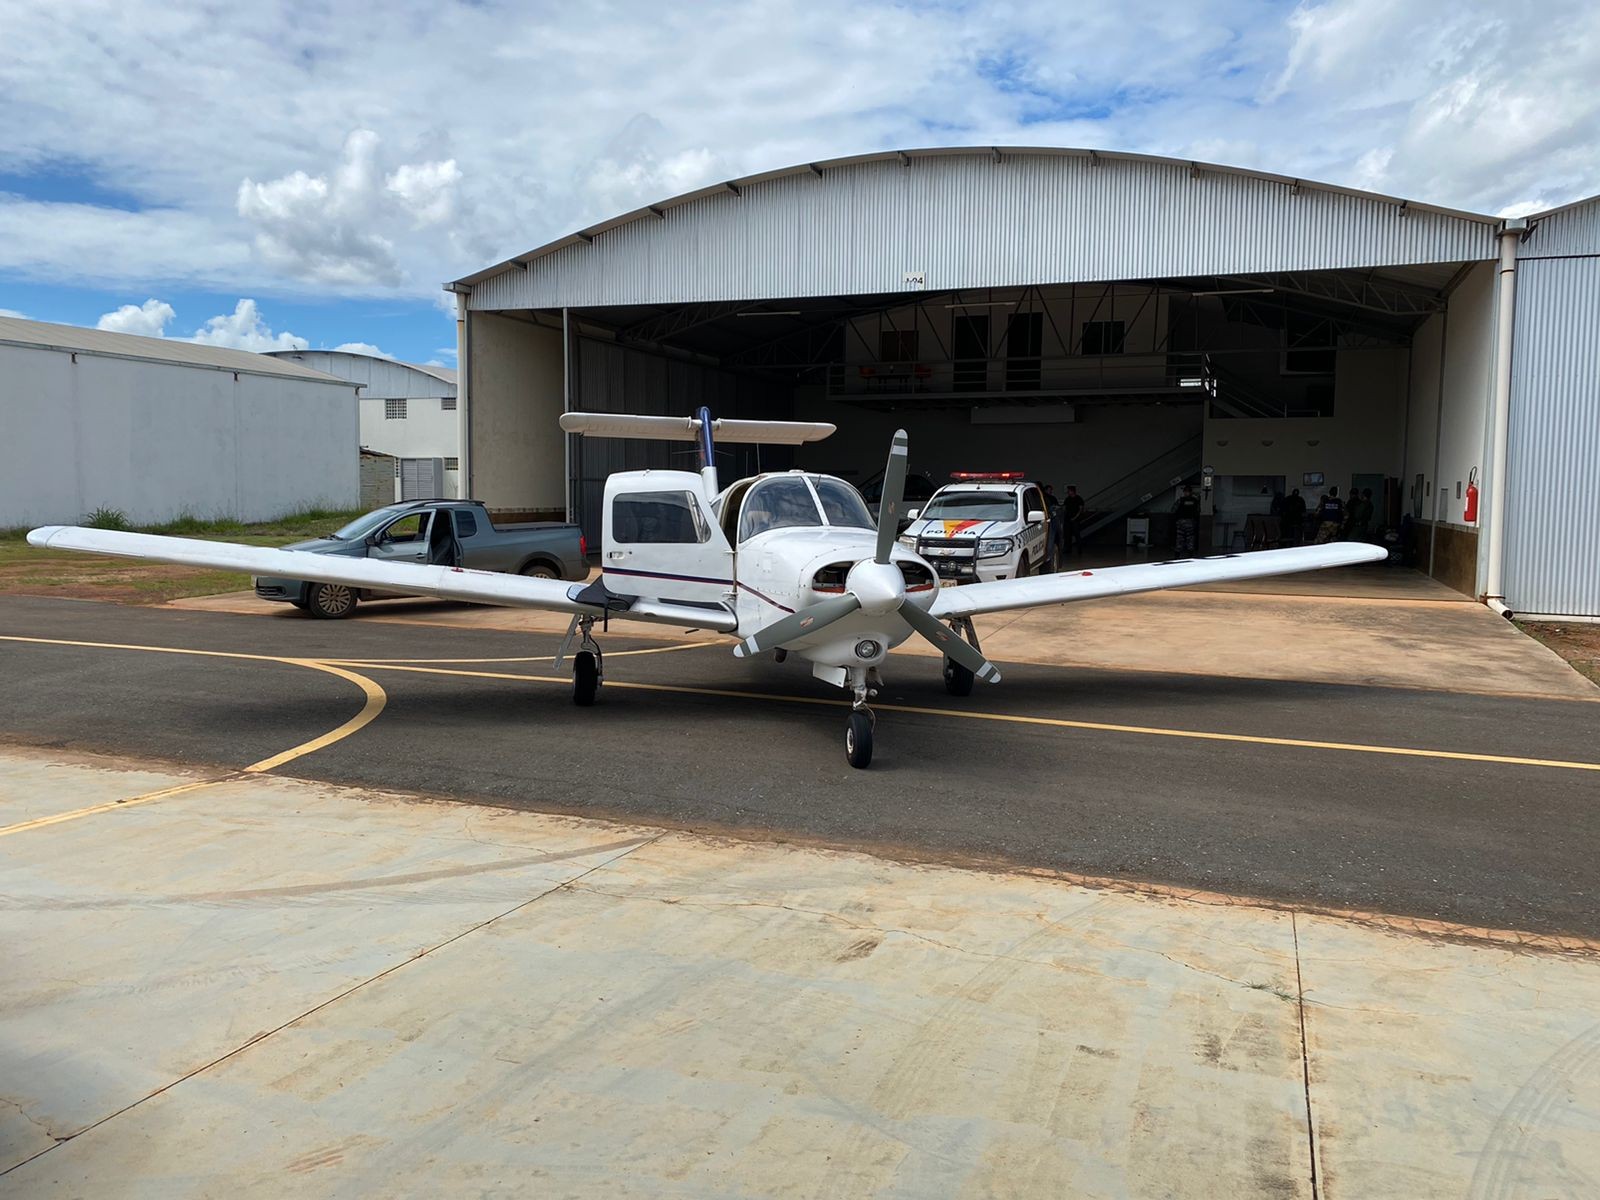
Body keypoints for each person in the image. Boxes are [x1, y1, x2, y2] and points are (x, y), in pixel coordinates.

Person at [1172, 485, 1201, 555]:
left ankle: (1178, 552)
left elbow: (1173, 510)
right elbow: (1198, 510)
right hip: (1191, 521)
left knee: (1180, 537)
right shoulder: (1195, 501)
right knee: (1190, 537)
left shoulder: (1180, 500)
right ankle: (1190, 552)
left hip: (1181, 522)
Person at [1060, 485, 1085, 555]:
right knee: (1067, 535)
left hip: (1075, 520)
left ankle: (1079, 549)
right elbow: (1064, 509)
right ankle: (1068, 549)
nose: (1068, 492)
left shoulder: (1079, 499)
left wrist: (1075, 517)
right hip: (1068, 519)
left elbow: (1080, 509)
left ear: (1072, 491)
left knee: (1077, 534)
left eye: (1069, 491)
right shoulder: (1067, 499)